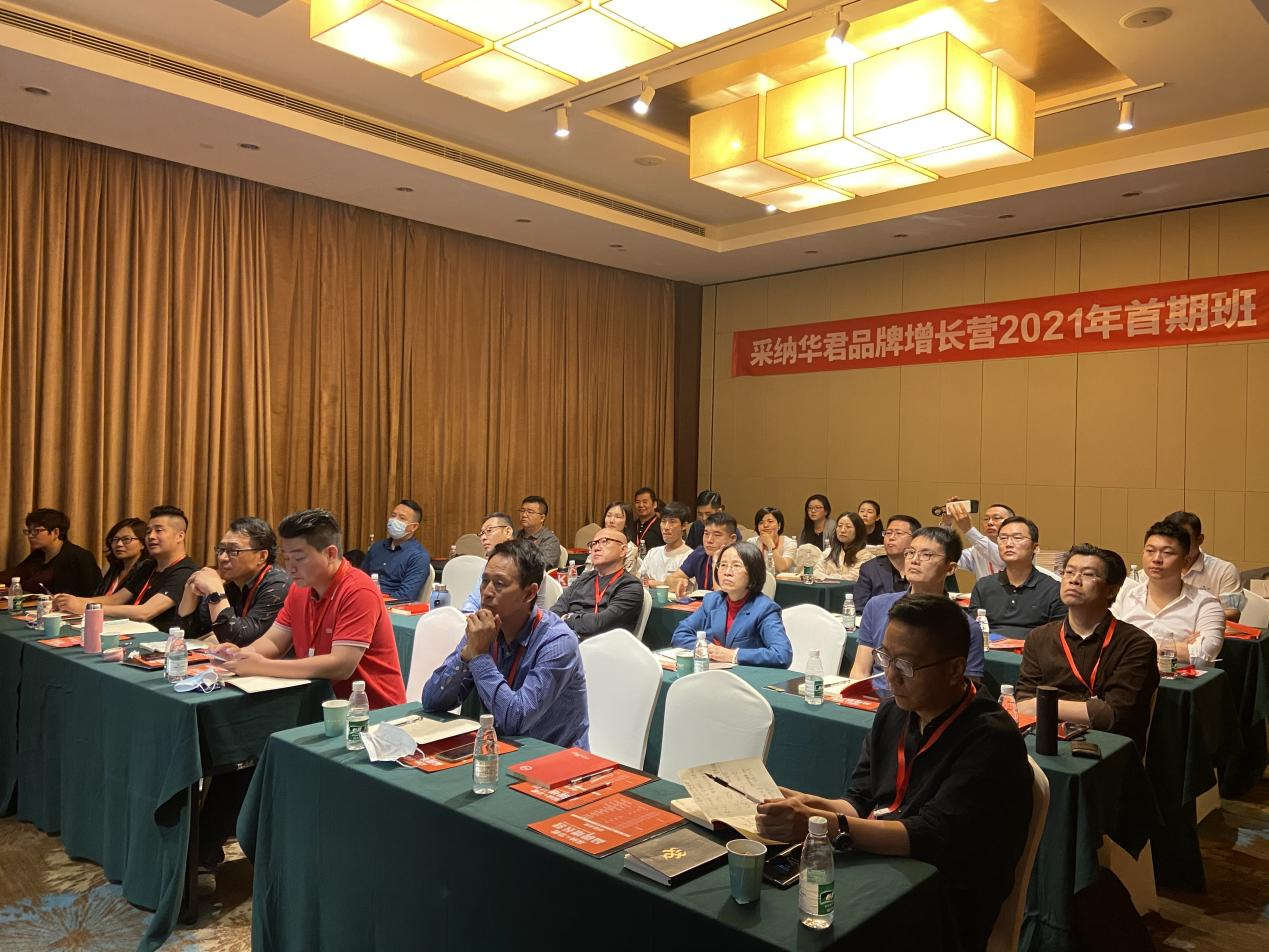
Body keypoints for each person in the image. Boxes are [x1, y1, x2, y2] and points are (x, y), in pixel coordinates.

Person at [756, 593, 1032, 952]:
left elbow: (930, 836)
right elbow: (860, 800)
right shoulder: (893, 713)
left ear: (955, 669)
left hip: (940, 900)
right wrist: (809, 804)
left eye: (906, 665)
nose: (889, 675)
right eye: (885, 657)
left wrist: (826, 825)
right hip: (881, 866)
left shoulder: (991, 739)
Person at [220, 508, 406, 705]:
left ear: (330, 554)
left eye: (299, 559)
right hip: (319, 702)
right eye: (287, 558)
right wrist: (242, 655)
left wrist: (261, 666)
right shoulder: (299, 588)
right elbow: (274, 641)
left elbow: (341, 665)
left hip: (371, 710)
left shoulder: (358, 590)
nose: (290, 568)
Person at [422, 538, 589, 748]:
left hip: (554, 757)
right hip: (498, 750)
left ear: (529, 593)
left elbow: (515, 722)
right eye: (485, 581)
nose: (487, 592)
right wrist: (465, 656)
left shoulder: (557, 642)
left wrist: (479, 656)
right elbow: (431, 701)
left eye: (499, 584)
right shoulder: (485, 628)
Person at [1015, 544, 1159, 752]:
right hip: (1048, 741)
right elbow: (1023, 702)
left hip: (1110, 750)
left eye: (1088, 574)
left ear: (1111, 590)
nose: (1074, 580)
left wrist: (1042, 704)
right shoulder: (1040, 637)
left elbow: (1114, 715)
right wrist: (1088, 709)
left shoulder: (1136, 644)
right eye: (1069, 572)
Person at [849, 527, 984, 687]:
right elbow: (860, 671)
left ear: (950, 568)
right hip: (876, 698)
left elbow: (969, 689)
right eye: (910, 552)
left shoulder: (966, 627)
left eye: (926, 555)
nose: (914, 560)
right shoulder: (877, 606)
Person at [53, 505, 196, 631]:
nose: (151, 536)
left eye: (159, 530)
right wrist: (72, 601)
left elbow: (145, 612)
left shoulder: (185, 572)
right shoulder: (148, 565)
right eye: (148, 532)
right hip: (129, 631)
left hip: (160, 642)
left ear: (180, 536)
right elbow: (116, 599)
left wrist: (88, 608)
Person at [1112, 521, 1224, 667]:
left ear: (1186, 560)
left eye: (1167, 553)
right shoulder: (1123, 595)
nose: (1156, 559)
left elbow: (1204, 655)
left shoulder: (1206, 604)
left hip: (1179, 680)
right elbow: (1106, 644)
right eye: (1150, 551)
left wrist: (1129, 643)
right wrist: (1174, 647)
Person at [670, 542, 791, 667]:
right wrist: (708, 648)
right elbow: (680, 635)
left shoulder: (765, 608)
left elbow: (781, 655)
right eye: (723, 565)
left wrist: (732, 655)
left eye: (736, 566)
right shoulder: (712, 601)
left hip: (745, 676)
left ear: (753, 572)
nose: (727, 572)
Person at [175, 517, 291, 645]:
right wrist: (190, 589)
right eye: (221, 550)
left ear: (262, 556)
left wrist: (216, 593)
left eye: (233, 551)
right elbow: (187, 635)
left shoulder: (279, 586)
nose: (222, 558)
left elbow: (239, 640)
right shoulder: (231, 582)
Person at [968, 517, 1064, 638]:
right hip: (989, 648)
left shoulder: (1053, 589)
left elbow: (1057, 637)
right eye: (1003, 538)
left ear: (1035, 548)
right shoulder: (983, 586)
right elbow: (973, 630)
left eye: (1017, 538)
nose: (1008, 544)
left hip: (1032, 649)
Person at [552, 527, 644, 638]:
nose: (596, 548)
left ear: (623, 550)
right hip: (567, 638)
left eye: (604, 541)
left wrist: (567, 618)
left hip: (602, 645)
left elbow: (599, 624)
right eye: (593, 544)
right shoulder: (583, 579)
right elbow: (554, 612)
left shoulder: (630, 586)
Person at [461, 512, 549, 613]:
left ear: (508, 532)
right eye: (481, 533)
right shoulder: (490, 565)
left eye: (489, 530)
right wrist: (467, 616)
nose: (483, 537)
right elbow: (474, 601)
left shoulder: (528, 562)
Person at [4, 508, 101, 596]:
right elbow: (14, 576)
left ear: (55, 532)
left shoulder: (80, 557)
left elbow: (94, 594)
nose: (30, 536)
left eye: (36, 531)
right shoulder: (38, 555)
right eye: (29, 531)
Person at [1162, 510, 1241, 619]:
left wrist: (1185, 618)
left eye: (1184, 540)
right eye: (1170, 540)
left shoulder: (1224, 570)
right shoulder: (1156, 569)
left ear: (1199, 540)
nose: (1177, 546)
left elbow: (1233, 613)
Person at [360, 499, 431, 600]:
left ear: (414, 527)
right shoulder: (377, 547)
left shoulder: (418, 556)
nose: (394, 521)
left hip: (391, 605)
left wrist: (377, 602)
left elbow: (405, 596)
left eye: (402, 518)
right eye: (393, 516)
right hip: (364, 599)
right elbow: (360, 578)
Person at [853, 514, 921, 610]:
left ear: (915, 539)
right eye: (888, 533)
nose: (891, 537)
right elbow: (859, 607)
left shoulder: (922, 567)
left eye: (898, 533)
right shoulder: (870, 569)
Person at [942, 498, 1015, 579]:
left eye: (996, 518)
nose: (990, 523)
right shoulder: (976, 551)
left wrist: (968, 529)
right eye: (986, 519)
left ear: (1011, 523)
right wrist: (946, 525)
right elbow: (947, 557)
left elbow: (1001, 559)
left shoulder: (1017, 547)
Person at [668, 512, 738, 596]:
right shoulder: (700, 553)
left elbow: (723, 597)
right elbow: (669, 581)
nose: (709, 540)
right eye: (706, 534)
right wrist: (679, 582)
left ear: (732, 539)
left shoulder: (740, 560)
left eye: (717, 535)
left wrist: (715, 562)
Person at [640, 501, 693, 586]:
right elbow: (639, 578)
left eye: (672, 522)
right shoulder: (653, 552)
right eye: (663, 521)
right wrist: (663, 584)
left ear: (684, 526)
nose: (666, 527)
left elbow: (678, 586)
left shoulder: (690, 556)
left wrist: (651, 583)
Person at [96, 517, 151, 597]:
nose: (119, 544)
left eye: (126, 539)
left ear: (143, 543)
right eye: (115, 539)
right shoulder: (113, 569)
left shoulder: (147, 570)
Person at [813, 512, 876, 581]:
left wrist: (825, 577)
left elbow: (852, 578)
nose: (842, 530)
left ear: (858, 531)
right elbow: (816, 573)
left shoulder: (864, 556)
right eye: (839, 526)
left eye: (848, 527)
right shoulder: (828, 552)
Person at [583, 501, 640, 573]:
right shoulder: (597, 543)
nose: (611, 521)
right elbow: (587, 571)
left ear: (626, 522)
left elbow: (627, 576)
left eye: (618, 517)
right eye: (608, 515)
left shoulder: (630, 548)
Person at [515, 495, 562, 569]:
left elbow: (541, 567)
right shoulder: (514, 535)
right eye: (522, 511)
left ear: (542, 518)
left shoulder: (550, 540)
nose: (524, 515)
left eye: (530, 512)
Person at [748, 506, 796, 574]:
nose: (765, 525)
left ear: (779, 525)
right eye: (761, 522)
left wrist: (770, 543)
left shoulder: (789, 543)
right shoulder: (751, 543)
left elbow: (782, 568)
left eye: (770, 521)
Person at [631, 486, 663, 553]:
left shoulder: (662, 526)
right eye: (637, 502)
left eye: (645, 502)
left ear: (654, 504)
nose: (641, 505)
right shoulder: (630, 526)